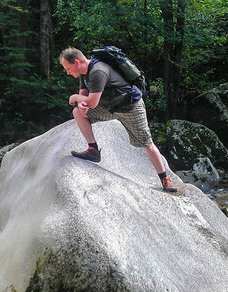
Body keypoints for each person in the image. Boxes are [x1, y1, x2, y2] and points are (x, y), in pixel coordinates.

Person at [59, 47, 177, 192]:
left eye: (68, 68)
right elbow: (84, 97)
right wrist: (81, 104)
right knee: (78, 112)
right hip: (109, 108)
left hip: (130, 107)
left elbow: (92, 102)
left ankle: (165, 179)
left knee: (147, 144)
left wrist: (75, 98)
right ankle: (92, 150)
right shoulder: (84, 74)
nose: (68, 72)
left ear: (77, 62)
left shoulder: (98, 71)